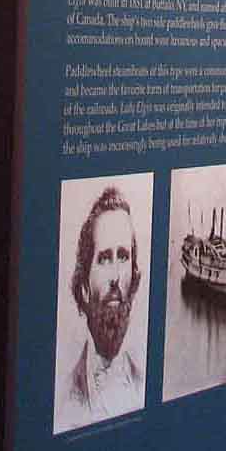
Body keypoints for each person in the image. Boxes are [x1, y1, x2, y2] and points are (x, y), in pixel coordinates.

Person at [56, 184, 146, 431]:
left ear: (134, 278)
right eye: (105, 258)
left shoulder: (143, 383)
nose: (116, 276)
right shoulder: (64, 404)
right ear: (83, 286)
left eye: (124, 256)